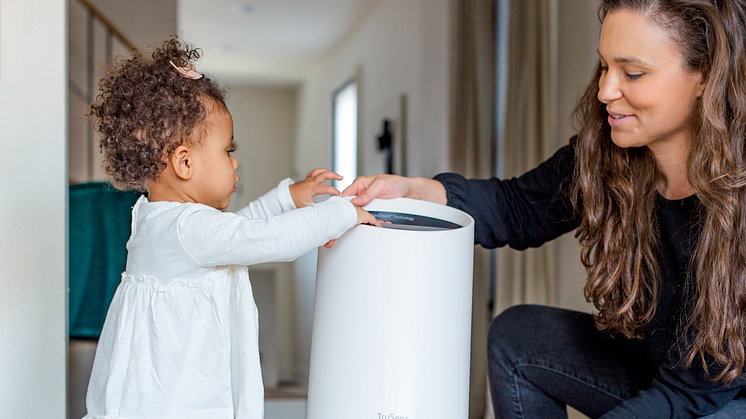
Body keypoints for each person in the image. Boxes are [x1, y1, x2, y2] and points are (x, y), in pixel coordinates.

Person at [343, 0, 746, 417]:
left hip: (720, 396)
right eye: (605, 66)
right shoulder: (607, 156)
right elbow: (516, 207)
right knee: (519, 336)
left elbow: (690, 394)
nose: (606, 90)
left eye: (634, 73)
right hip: (656, 373)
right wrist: (410, 189)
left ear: (705, 76)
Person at [83, 38, 380, 419]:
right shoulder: (187, 228)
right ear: (184, 163)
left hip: (161, 394)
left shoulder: (156, 217)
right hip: (179, 400)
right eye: (228, 151)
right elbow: (266, 240)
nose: (235, 164)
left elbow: (236, 230)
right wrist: (343, 213)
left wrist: (285, 198)